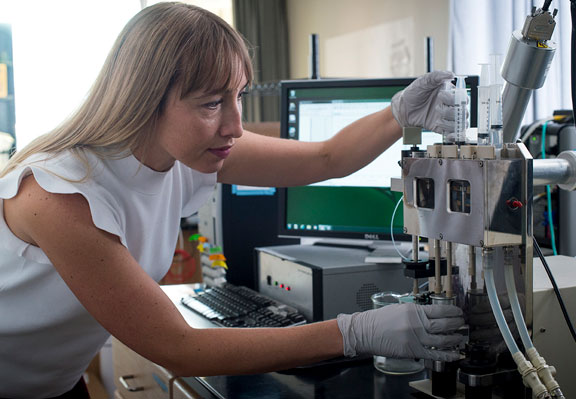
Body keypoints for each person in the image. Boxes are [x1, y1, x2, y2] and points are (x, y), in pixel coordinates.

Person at [0, 3, 464, 398]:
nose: (235, 126)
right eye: (210, 103)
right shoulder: (59, 193)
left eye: (237, 96)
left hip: (54, 384)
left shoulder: (180, 150)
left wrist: (397, 114)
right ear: (144, 100)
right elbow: (177, 347)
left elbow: (327, 158)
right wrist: (355, 332)